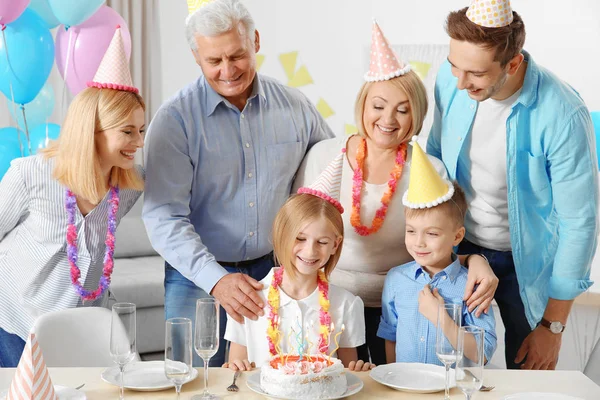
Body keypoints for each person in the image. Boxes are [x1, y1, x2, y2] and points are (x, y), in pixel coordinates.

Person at [294, 20, 498, 365]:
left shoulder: (430, 169)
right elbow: (296, 233)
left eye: (402, 110)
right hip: (333, 302)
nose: (388, 119)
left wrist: (476, 259)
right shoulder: (323, 156)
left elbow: (443, 240)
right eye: (378, 106)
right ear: (362, 106)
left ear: (415, 115)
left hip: (408, 302)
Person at [142, 0, 334, 367]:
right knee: (193, 380)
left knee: (277, 375)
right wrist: (217, 280)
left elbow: (325, 178)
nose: (228, 70)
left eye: (237, 55)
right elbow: (164, 217)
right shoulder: (174, 122)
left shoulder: (295, 107)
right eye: (214, 61)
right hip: (197, 274)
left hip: (276, 269)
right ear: (196, 57)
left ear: (256, 41)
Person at [427, 0, 598, 370]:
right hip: (462, 246)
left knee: (529, 374)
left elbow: (579, 222)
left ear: (513, 63)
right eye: (454, 65)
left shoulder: (564, 114)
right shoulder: (450, 80)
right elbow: (437, 158)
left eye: (475, 73)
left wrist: (553, 327)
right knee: (449, 364)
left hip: (529, 263)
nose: (459, 82)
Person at [0, 27, 145, 367]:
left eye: (141, 131)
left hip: (81, 326)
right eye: (127, 131)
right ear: (90, 130)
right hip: (15, 323)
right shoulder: (31, 173)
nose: (138, 142)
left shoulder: (129, 185)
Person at [223, 154, 372, 371]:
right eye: (300, 239)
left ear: (335, 245)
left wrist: (359, 372)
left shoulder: (346, 305)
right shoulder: (249, 299)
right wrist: (235, 367)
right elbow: (236, 371)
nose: (310, 251)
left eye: (322, 241)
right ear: (282, 235)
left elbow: (347, 374)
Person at [378, 138, 496, 366]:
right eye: (411, 231)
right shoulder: (396, 279)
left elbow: (482, 352)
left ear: (457, 236)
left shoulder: (471, 286)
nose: (419, 243)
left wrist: (441, 317)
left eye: (431, 234)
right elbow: (390, 336)